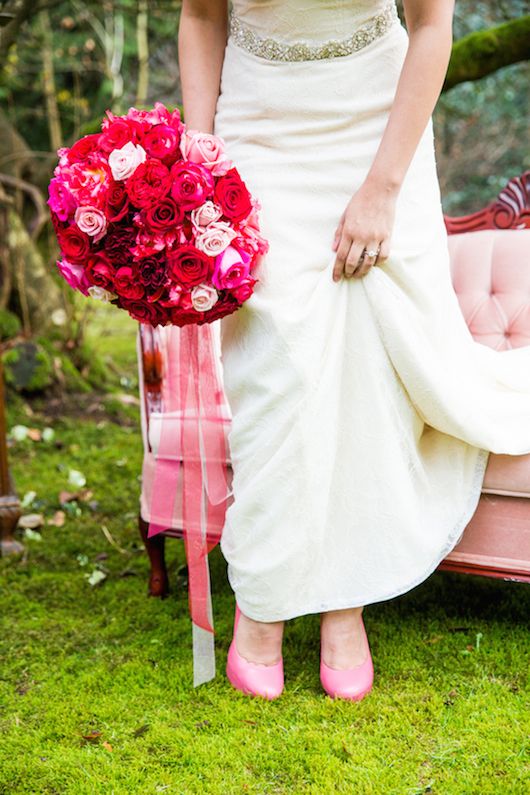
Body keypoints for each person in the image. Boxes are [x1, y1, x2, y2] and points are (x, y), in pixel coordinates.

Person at [178, 0, 530, 700]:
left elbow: (432, 25)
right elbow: (200, 15)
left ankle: (348, 605)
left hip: (377, 127)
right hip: (259, 131)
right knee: (275, 365)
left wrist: (382, 187)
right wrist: (199, 144)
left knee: (367, 359)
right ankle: (266, 600)